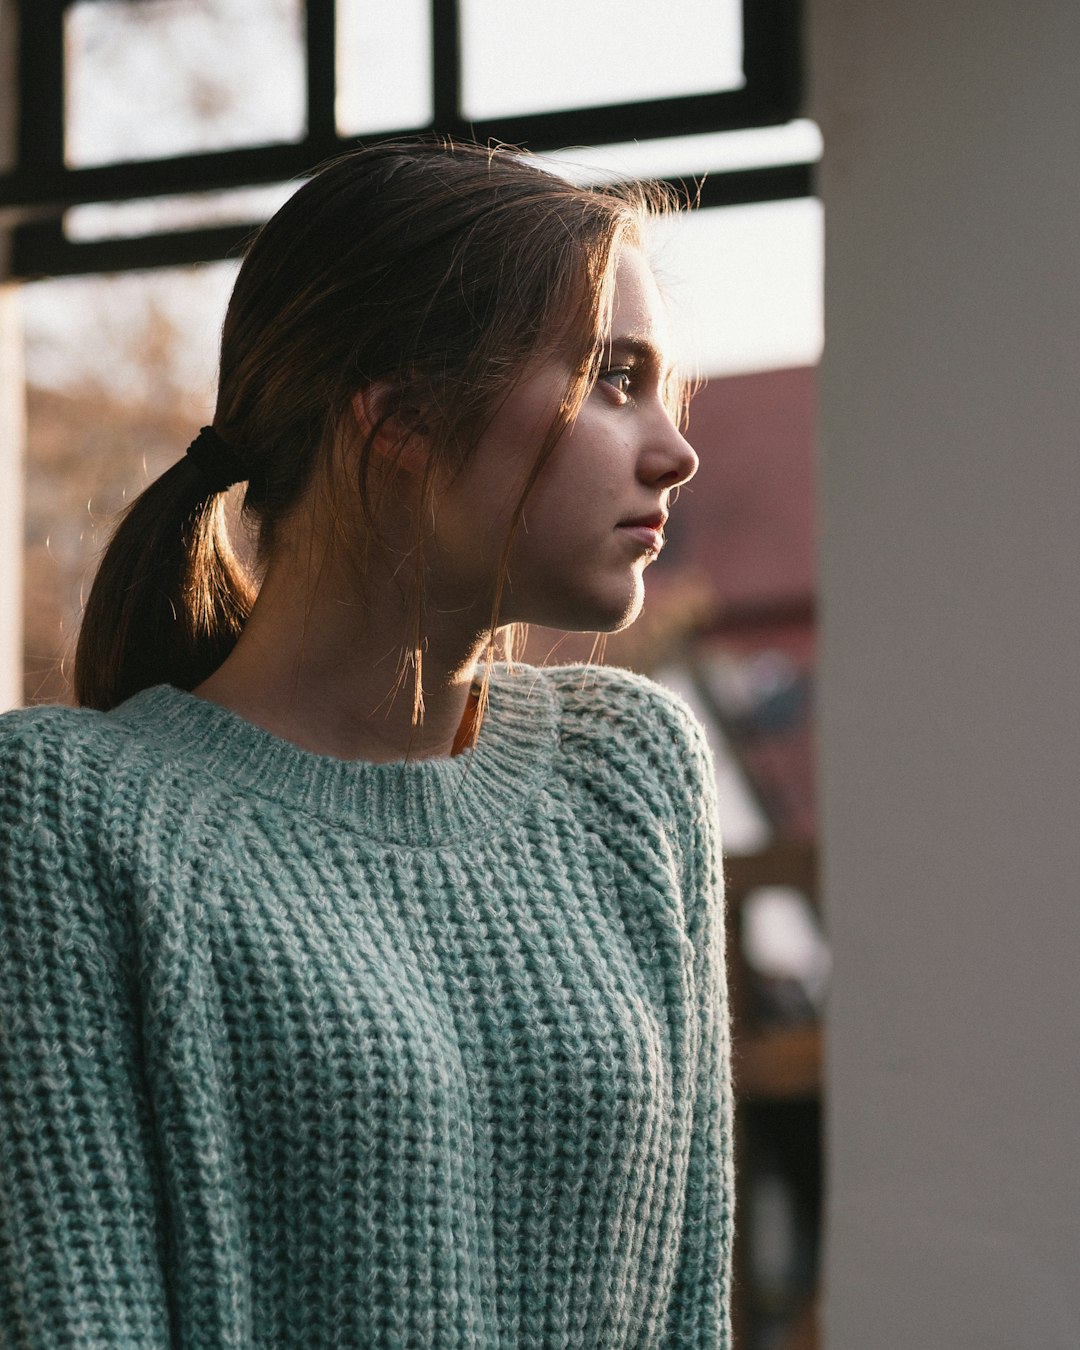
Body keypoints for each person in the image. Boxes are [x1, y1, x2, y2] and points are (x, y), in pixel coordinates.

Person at [0, 138, 732, 1347]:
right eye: (612, 378)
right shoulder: (65, 818)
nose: (675, 449)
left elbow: (688, 1308)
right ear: (398, 416)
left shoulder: (633, 775)